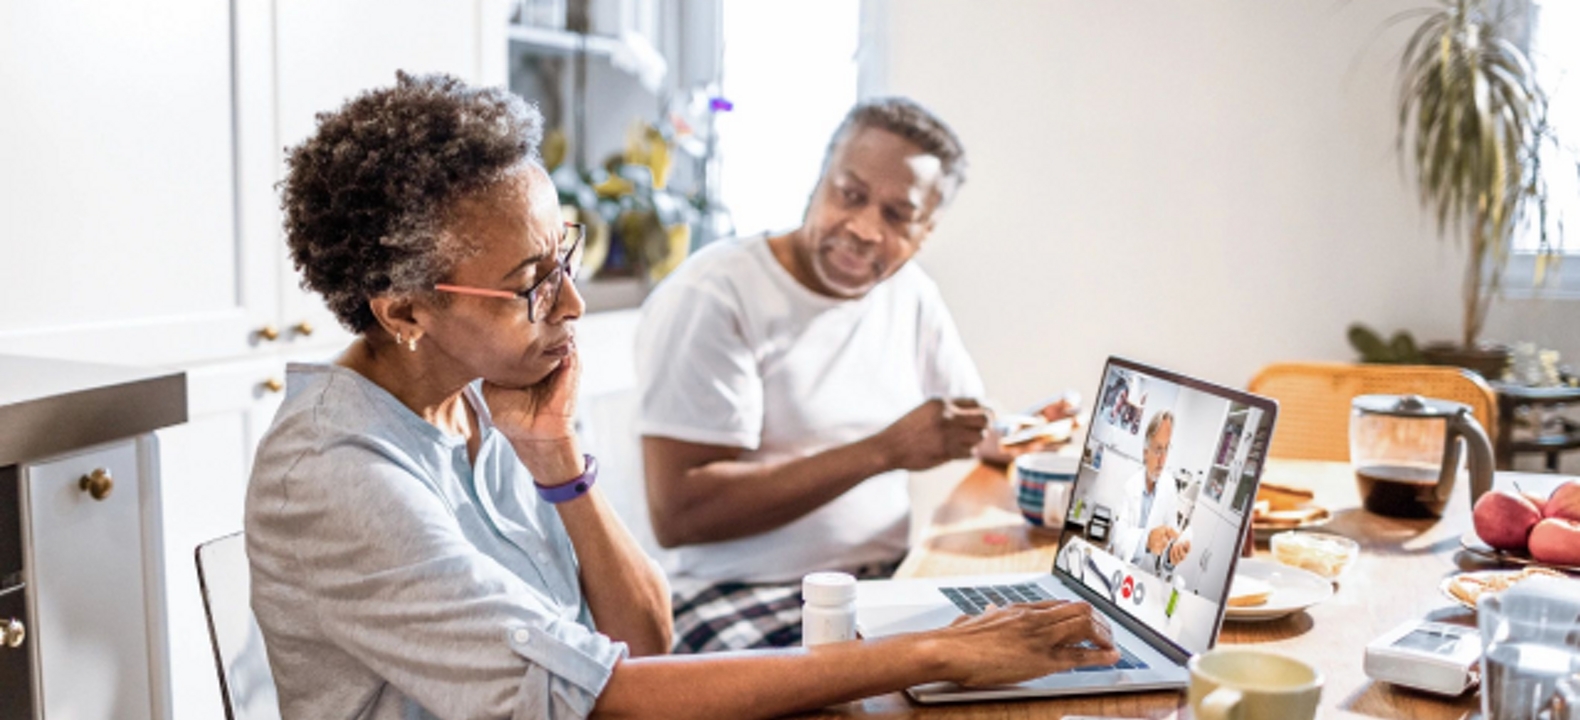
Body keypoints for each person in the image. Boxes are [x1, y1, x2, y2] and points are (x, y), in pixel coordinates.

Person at [244, 72, 1119, 720]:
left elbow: (645, 641)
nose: (573, 305)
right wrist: (931, 653)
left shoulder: (481, 405)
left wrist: (560, 465)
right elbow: (608, 694)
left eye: (564, 259)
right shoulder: (339, 474)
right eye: (531, 283)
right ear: (404, 311)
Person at [634, 98, 1075, 653]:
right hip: (739, 594)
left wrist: (1027, 433)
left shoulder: (909, 293)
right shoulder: (714, 295)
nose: (865, 228)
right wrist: (884, 451)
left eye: (897, 216)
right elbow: (680, 514)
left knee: (1035, 656)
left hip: (884, 581)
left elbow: (962, 422)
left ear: (924, 234)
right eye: (851, 194)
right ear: (819, 181)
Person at [1109, 411, 1191, 573]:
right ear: (1145, 452)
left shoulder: (1169, 487)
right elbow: (1117, 540)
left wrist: (1171, 557)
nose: (1162, 460)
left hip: (1148, 576)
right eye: (1158, 449)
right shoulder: (1129, 486)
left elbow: (1170, 540)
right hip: (1122, 570)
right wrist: (1146, 541)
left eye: (1166, 449)